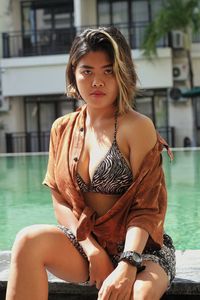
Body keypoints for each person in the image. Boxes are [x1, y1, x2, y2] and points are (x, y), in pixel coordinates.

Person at [6, 27, 176, 300]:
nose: (97, 81)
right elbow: (59, 200)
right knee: (28, 240)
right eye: (87, 71)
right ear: (73, 72)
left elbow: (146, 209)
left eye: (108, 71)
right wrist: (92, 249)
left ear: (123, 73)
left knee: (140, 294)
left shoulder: (138, 127)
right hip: (87, 243)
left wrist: (128, 264)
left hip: (142, 249)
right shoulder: (62, 128)